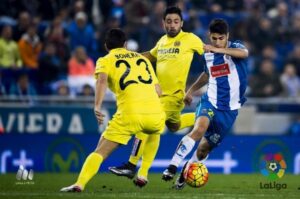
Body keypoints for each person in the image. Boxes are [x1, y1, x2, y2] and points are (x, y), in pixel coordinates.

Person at [60, 28, 165, 192]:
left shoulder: (105, 59)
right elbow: (158, 91)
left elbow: (101, 81)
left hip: (129, 114)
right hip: (156, 113)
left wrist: (97, 106)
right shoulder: (141, 59)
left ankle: (79, 184)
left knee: (100, 151)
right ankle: (142, 172)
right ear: (125, 44)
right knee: (154, 131)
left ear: (106, 46)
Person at [109, 6, 204, 187]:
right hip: (159, 96)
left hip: (174, 96)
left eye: (176, 21)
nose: (172, 25)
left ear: (182, 23)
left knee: (146, 125)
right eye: (169, 21)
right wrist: (129, 58)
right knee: (173, 126)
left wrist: (194, 88)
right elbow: (148, 57)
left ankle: (132, 165)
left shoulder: (190, 39)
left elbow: (207, 53)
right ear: (163, 23)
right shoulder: (162, 41)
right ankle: (202, 118)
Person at [162, 18, 248, 189]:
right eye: (214, 38)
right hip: (210, 101)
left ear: (227, 36)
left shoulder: (236, 48)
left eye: (221, 38)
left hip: (229, 110)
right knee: (199, 129)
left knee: (203, 151)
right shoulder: (208, 55)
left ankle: (186, 171)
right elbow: (207, 75)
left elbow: (244, 54)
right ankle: (172, 166)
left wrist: (221, 50)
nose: (217, 42)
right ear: (209, 36)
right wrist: (191, 91)